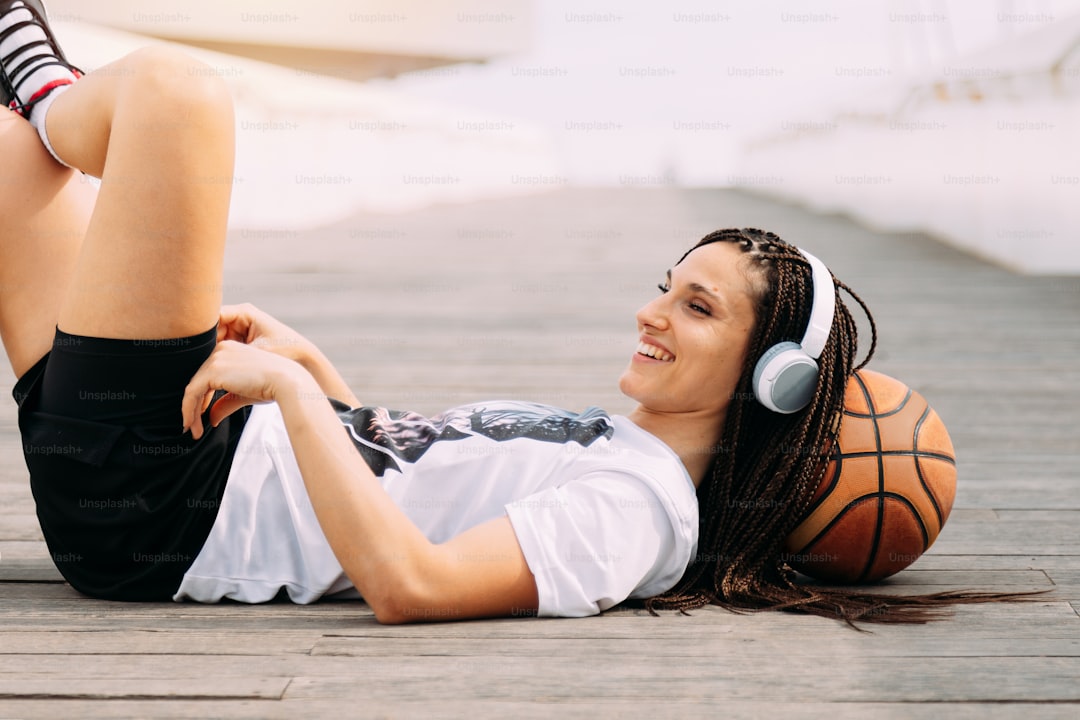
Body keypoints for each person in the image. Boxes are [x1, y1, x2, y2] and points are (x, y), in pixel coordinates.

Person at [1, 1, 1021, 625]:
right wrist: (318, 382)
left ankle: (45, 77)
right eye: (670, 284)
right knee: (11, 156)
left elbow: (413, 583)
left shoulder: (635, 516)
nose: (653, 313)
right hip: (189, 460)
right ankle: (36, 100)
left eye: (697, 307)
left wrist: (289, 404)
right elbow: (417, 480)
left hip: (168, 501)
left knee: (178, 98)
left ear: (771, 378)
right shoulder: (627, 455)